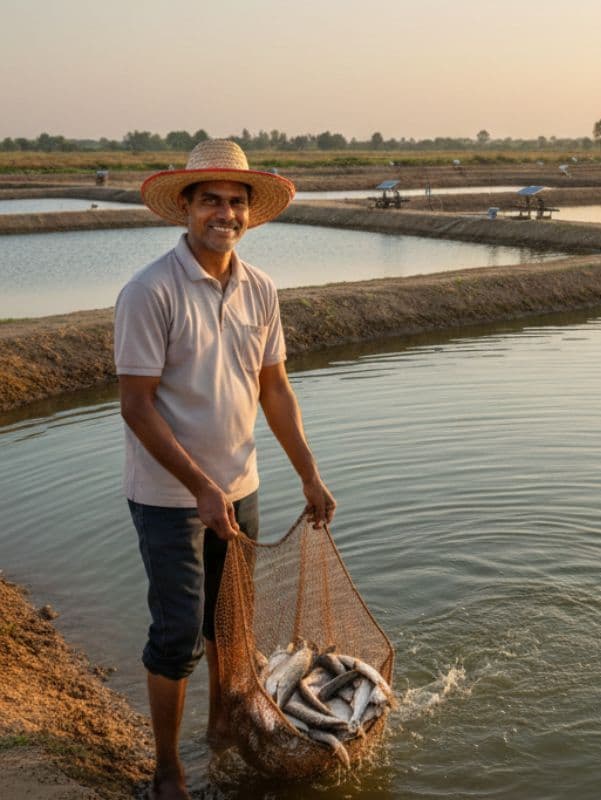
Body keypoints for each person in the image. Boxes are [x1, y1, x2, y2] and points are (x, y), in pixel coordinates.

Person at [114, 139, 335, 799]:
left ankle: (221, 728)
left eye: (236, 202)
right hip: (168, 498)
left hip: (241, 487)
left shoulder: (260, 289)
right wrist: (200, 487)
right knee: (178, 633)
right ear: (186, 207)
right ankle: (167, 770)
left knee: (231, 627)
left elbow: (275, 389)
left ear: (249, 214)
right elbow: (136, 405)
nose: (225, 213)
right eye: (211, 200)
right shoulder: (149, 291)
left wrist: (309, 474)